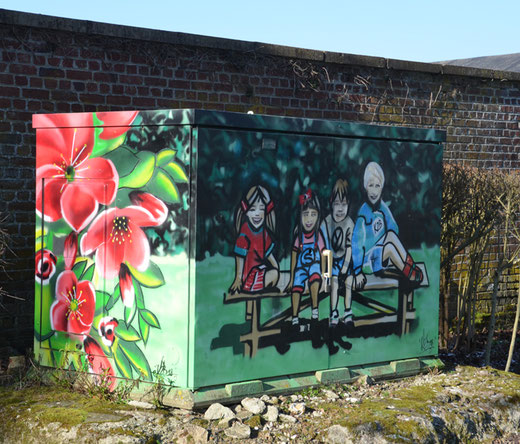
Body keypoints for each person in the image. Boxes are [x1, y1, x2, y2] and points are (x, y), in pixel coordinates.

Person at [352, 162, 423, 291]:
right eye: (371, 185)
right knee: (389, 248)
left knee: (390, 235)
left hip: (379, 253)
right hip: (367, 262)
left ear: (381, 188)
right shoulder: (363, 213)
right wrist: (357, 272)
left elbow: (393, 229)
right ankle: (408, 273)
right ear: (365, 187)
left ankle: (409, 264)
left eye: (377, 186)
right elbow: (356, 244)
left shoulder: (382, 207)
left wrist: (382, 240)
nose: (374, 191)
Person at [229, 186, 279, 318]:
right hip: (249, 278)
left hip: (258, 273)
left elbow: (269, 255)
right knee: (273, 274)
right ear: (246, 211)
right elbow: (240, 257)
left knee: (275, 273)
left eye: (261, 209)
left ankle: (250, 318)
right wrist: (238, 278)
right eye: (252, 209)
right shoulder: (245, 232)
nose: (257, 214)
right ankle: (250, 318)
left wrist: (276, 268)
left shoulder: (263, 233)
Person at [285, 188, 326, 326]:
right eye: (305, 214)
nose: (309, 219)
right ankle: (295, 317)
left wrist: (326, 277)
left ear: (318, 216)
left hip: (314, 266)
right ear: (300, 216)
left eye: (313, 214)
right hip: (301, 269)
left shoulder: (318, 236)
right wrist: (291, 279)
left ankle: (315, 311)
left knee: (315, 277)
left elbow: (326, 254)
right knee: (297, 286)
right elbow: (294, 257)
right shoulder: (299, 237)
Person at [320, 179, 355, 326]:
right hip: (332, 261)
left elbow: (349, 249)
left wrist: (345, 268)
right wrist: (326, 275)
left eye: (344, 204)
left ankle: (348, 310)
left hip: (345, 261)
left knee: (348, 281)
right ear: (331, 203)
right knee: (333, 283)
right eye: (337, 204)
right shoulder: (326, 223)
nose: (340, 209)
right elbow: (325, 252)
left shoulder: (349, 224)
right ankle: (333, 312)